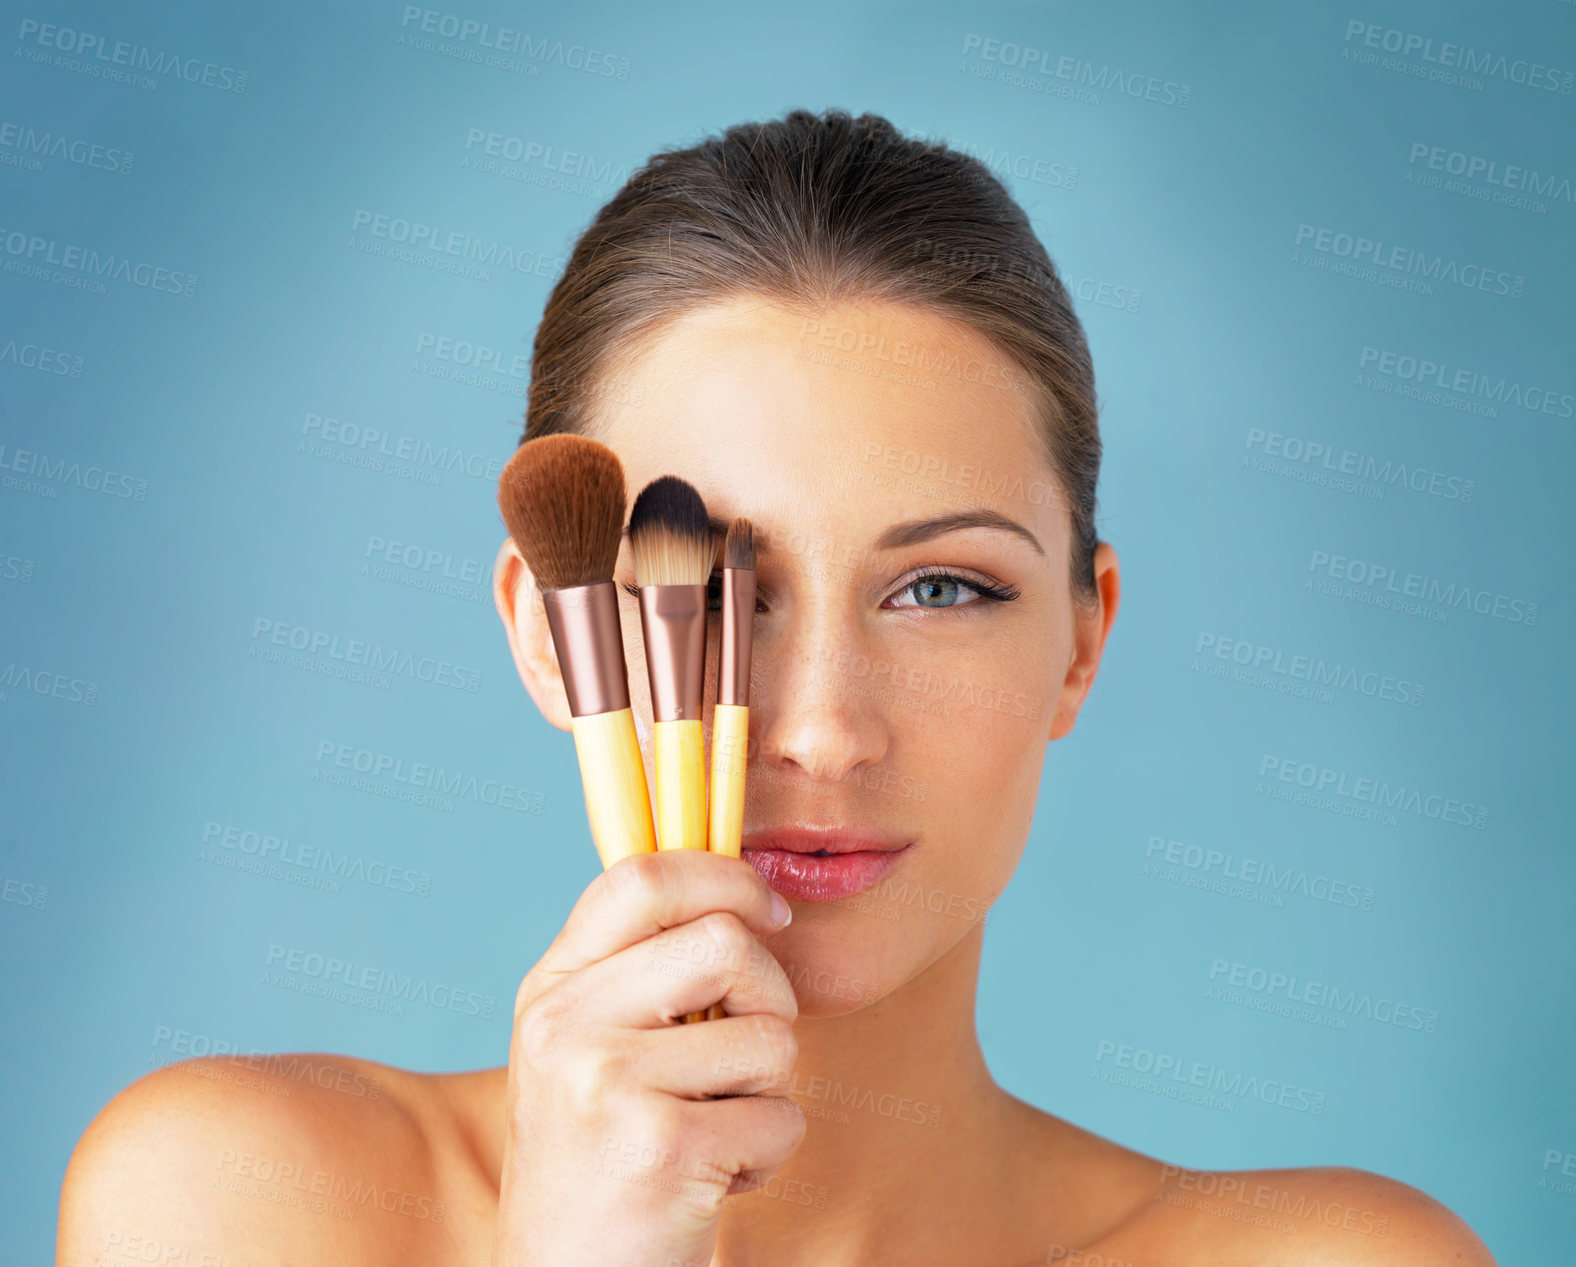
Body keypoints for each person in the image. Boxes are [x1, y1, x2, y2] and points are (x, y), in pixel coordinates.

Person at [57, 107, 1496, 1267]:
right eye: (721, 596)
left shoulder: (1337, 1256)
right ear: (555, 635)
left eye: (942, 589)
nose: (817, 729)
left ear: (1080, 639)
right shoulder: (234, 1204)